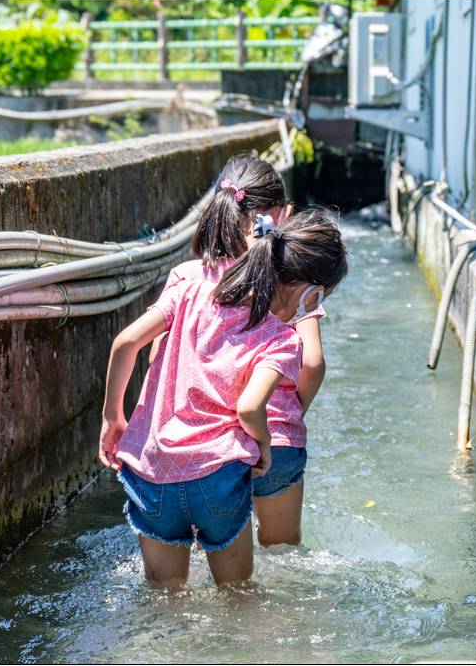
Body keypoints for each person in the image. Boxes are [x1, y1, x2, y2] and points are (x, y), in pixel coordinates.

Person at [99, 211, 347, 588]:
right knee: (238, 597)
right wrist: (263, 444)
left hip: (151, 471)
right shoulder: (280, 338)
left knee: (165, 598)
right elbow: (250, 407)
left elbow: (125, 344)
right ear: (311, 294)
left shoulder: (189, 285)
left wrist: (113, 418)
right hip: (217, 477)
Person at [155, 154, 329, 548]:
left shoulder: (193, 279)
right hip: (276, 436)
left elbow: (159, 358)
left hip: (201, 445)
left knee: (214, 551)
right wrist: (290, 412)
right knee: (282, 552)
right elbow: (313, 362)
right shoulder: (294, 280)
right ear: (282, 215)